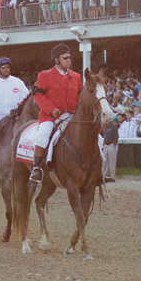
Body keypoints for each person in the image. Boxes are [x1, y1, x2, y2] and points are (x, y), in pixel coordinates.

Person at [29, 43, 82, 183]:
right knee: (43, 135)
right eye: (65, 58)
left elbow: (80, 96)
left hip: (71, 115)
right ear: (57, 60)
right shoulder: (45, 75)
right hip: (50, 116)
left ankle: (97, 169)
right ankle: (36, 168)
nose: (69, 61)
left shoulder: (76, 77)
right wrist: (51, 109)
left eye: (70, 58)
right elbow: (37, 96)